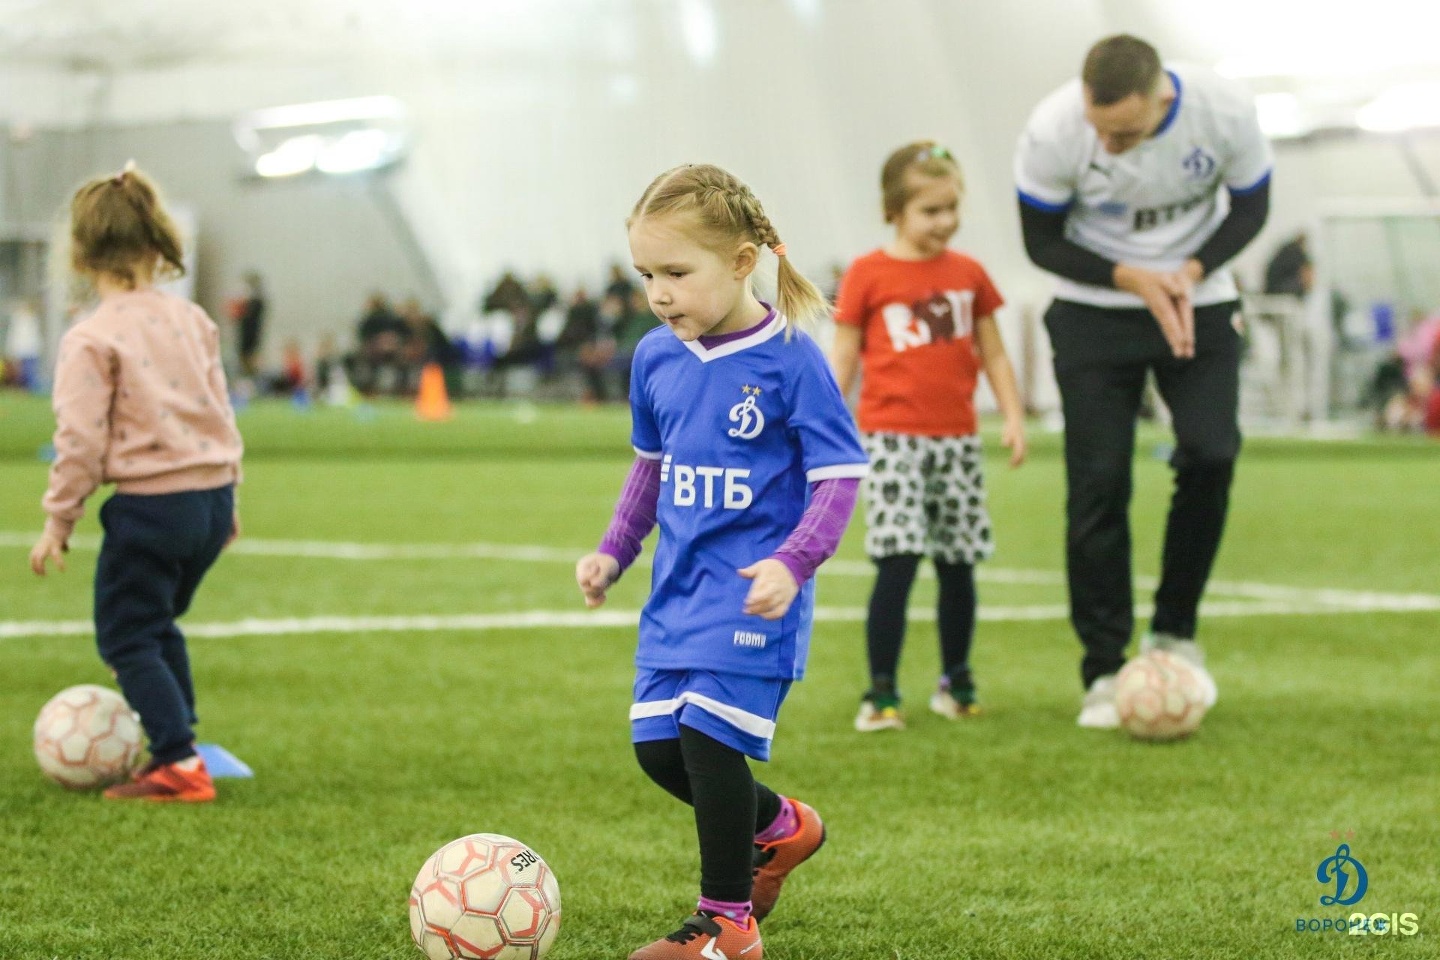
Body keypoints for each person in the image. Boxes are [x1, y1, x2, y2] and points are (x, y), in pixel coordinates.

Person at [575, 163, 868, 960]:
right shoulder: (656, 359)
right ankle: (783, 828)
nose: (659, 294)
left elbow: (838, 477)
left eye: (676, 272)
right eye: (645, 276)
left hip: (750, 600)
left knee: (708, 740)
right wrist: (613, 551)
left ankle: (724, 925)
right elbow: (651, 469)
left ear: (742, 263)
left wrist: (794, 562)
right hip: (676, 596)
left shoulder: (791, 360)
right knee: (658, 750)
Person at [1014, 34, 1272, 727]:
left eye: (1125, 132)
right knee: (1099, 482)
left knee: (1212, 453)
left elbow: (1251, 209)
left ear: (1162, 97)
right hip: (1096, 310)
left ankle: (1174, 634)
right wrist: (1132, 278)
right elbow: (1041, 242)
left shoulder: (1224, 109)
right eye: (1102, 133)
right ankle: (1102, 667)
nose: (1111, 148)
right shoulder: (1054, 129)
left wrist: (1185, 275)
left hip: (1201, 299)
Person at [28, 161, 242, 802]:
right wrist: (227, 501)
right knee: (157, 623)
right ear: (156, 239)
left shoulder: (92, 337)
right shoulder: (193, 319)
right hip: (210, 497)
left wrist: (58, 520)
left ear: (80, 252)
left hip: (154, 505)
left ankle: (177, 763)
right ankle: (186, 740)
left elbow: (81, 443)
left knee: (125, 634)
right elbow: (220, 412)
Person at [831, 141, 1027, 732]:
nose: (945, 222)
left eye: (951, 208)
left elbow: (991, 350)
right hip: (891, 440)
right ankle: (882, 692)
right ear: (894, 211)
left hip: (957, 441)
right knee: (898, 560)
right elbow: (843, 356)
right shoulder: (868, 274)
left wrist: (1013, 414)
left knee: (958, 562)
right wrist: (821, 423)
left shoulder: (968, 275)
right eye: (930, 211)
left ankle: (956, 679)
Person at [228, 270, 266, 378]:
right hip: (246, 332)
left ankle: (251, 376)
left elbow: (244, 315)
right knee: (244, 355)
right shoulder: (250, 300)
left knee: (249, 355)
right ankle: (246, 376)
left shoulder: (256, 301)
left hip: (251, 332)